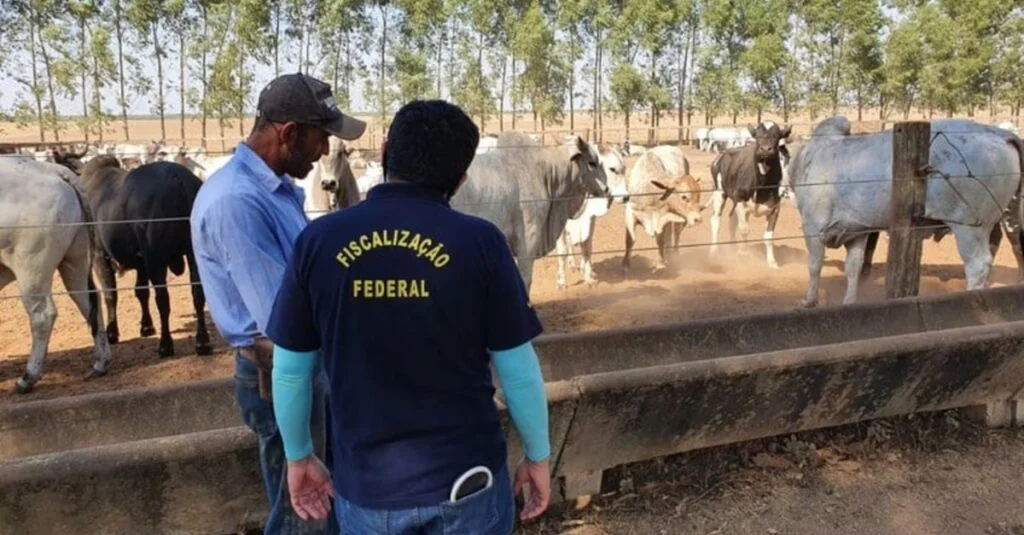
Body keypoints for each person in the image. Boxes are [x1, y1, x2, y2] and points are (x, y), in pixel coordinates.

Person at [264, 99, 553, 534]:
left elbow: (288, 372)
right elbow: (518, 371)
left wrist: (299, 455)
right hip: (467, 484)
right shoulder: (481, 243)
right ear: (460, 178)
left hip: (366, 493)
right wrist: (538, 455)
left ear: (383, 153)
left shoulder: (319, 241)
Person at [190, 73, 366, 534]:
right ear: (288, 133)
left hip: (299, 368)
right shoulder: (239, 202)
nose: (324, 151)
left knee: (315, 503)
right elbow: (282, 320)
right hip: (283, 371)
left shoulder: (273, 190)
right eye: (320, 137)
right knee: (303, 515)